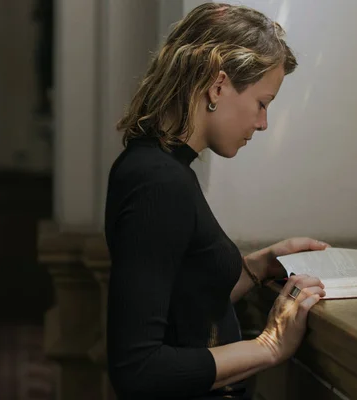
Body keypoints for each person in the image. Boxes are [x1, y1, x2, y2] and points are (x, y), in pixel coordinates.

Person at [105, 3, 329, 399]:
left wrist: (258, 267)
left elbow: (181, 301)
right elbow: (138, 369)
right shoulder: (158, 182)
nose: (262, 124)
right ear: (218, 85)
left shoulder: (161, 168)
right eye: (263, 103)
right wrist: (269, 345)